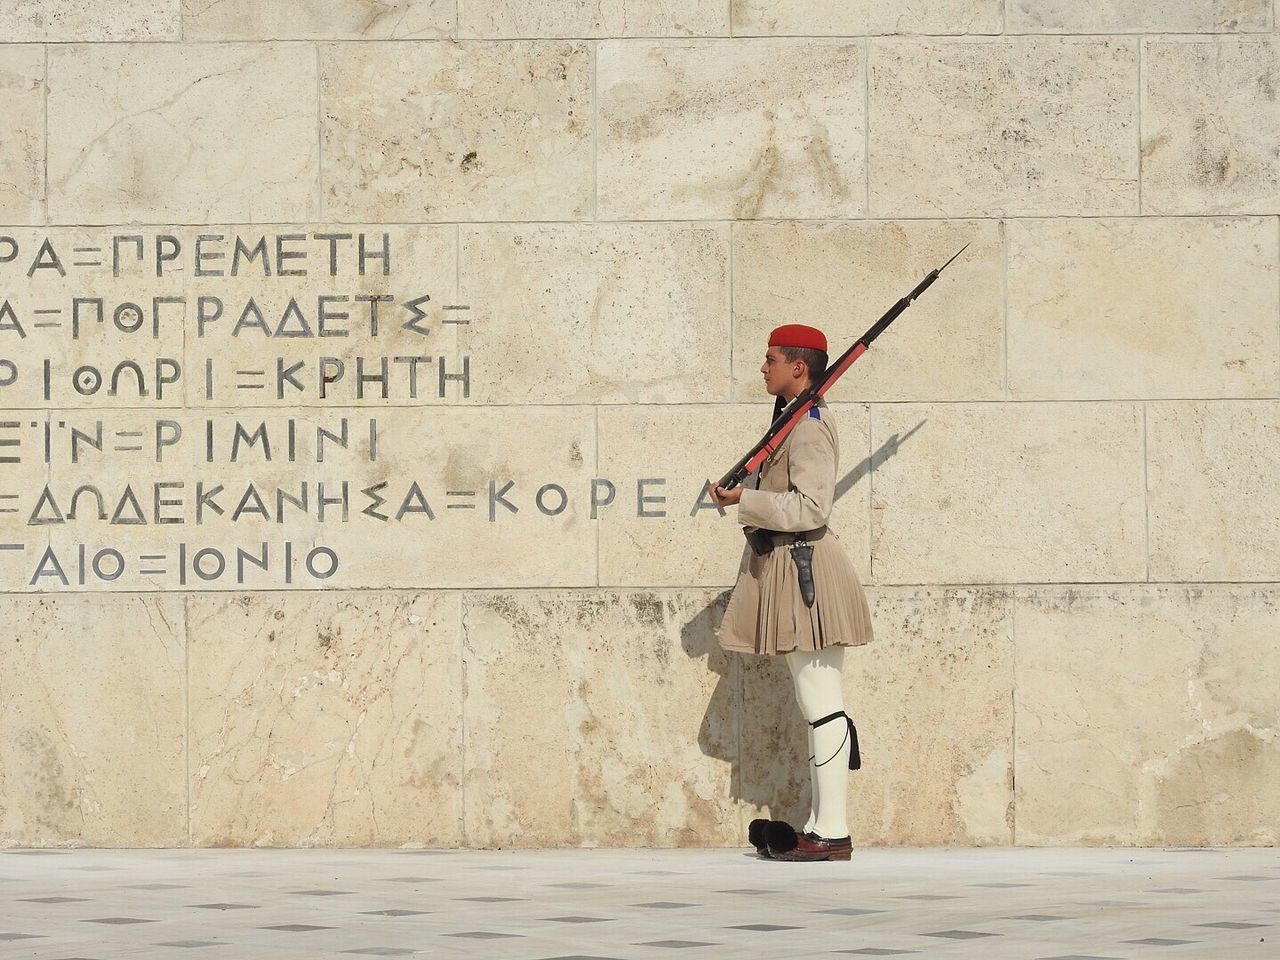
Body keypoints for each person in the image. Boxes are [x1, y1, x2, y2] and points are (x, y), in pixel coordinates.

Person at [710, 323, 874, 862]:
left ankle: (832, 831)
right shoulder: (790, 420)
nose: (763, 367)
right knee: (814, 703)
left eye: (771, 359)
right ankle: (822, 826)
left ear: (798, 367)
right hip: (788, 569)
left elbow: (811, 507)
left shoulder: (809, 427)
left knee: (823, 703)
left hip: (808, 573)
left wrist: (745, 503)